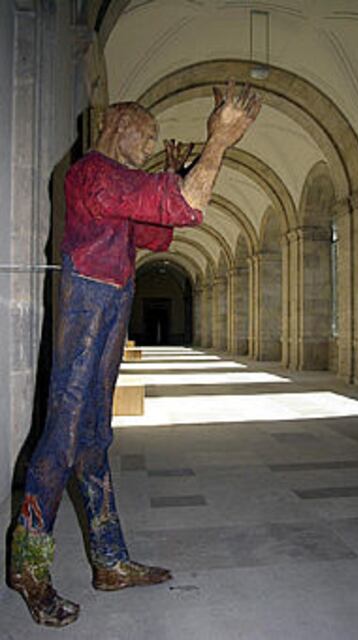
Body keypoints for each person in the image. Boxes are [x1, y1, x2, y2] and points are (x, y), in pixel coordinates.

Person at [8, 80, 261, 627]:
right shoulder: (93, 174)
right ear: (118, 128)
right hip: (88, 302)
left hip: (113, 301)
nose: (147, 147)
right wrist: (217, 143)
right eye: (144, 137)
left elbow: (158, 232)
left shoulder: (118, 181)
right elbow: (184, 207)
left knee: (95, 439)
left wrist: (170, 175)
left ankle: (109, 561)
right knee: (62, 436)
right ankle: (29, 568)